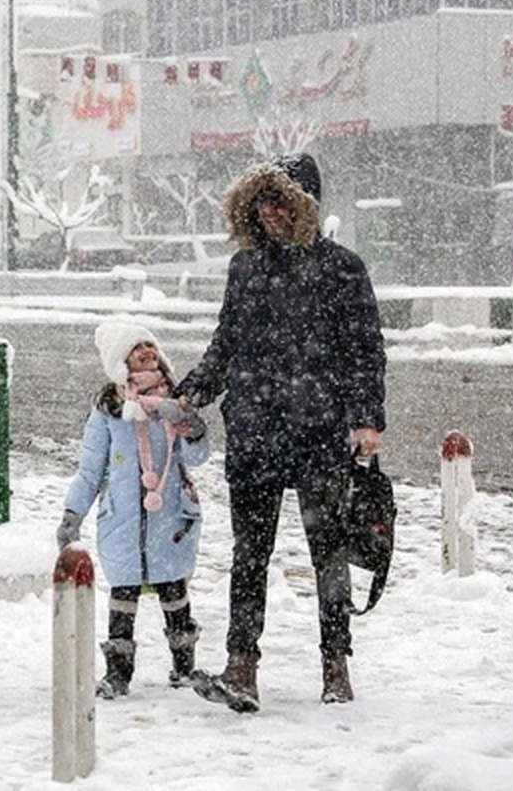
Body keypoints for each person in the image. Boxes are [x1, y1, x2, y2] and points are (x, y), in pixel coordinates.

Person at [173, 152, 387, 713]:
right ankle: (241, 665)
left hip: (320, 430)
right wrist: (194, 390)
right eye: (261, 202)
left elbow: (365, 351)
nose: (269, 212)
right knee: (250, 553)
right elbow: (226, 343)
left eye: (280, 202)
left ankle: (335, 664)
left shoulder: (343, 268)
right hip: (255, 430)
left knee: (328, 553)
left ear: (304, 207)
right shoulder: (245, 269)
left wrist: (367, 418)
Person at [58, 319, 210, 699]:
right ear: (118, 361)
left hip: (170, 515)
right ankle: (119, 673)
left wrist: (189, 424)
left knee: (173, 588)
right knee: (123, 594)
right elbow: (91, 470)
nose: (146, 352)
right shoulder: (108, 410)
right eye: (136, 348)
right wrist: (73, 513)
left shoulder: (174, 400)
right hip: (123, 519)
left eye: (150, 346)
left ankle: (184, 666)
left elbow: (198, 455)